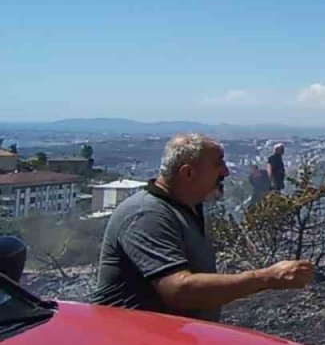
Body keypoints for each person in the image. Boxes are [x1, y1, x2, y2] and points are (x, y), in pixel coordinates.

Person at [91, 133, 313, 322]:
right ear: (188, 173)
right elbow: (179, 290)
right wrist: (267, 277)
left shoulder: (187, 208)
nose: (226, 172)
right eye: (218, 164)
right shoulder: (146, 214)